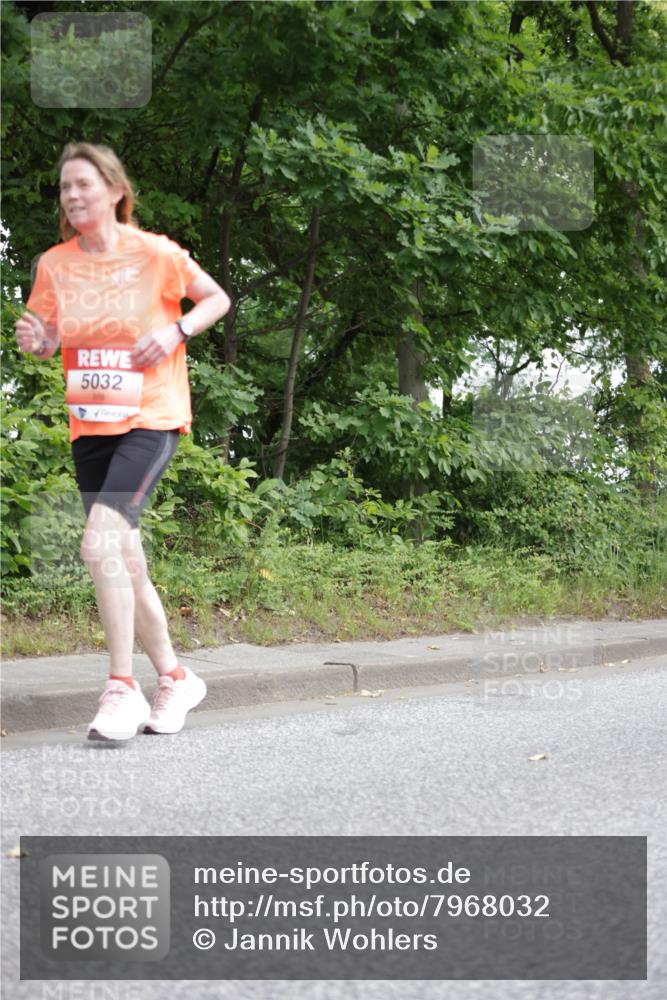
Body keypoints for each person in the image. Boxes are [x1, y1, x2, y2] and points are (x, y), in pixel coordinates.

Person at [15, 142, 231, 741]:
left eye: (83, 183)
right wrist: (38, 342)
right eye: (65, 186)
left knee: (99, 543)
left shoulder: (155, 253)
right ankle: (176, 678)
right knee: (124, 559)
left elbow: (216, 298)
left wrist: (177, 330)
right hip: (91, 422)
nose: (72, 195)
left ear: (115, 191)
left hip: (152, 415)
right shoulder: (55, 264)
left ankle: (121, 688)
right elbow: (49, 338)